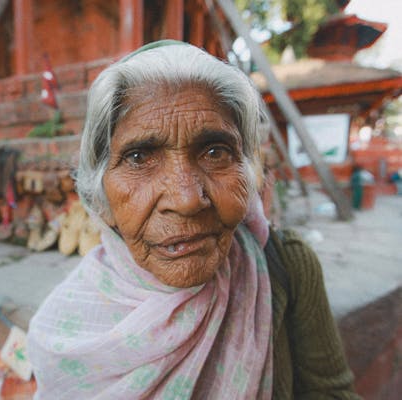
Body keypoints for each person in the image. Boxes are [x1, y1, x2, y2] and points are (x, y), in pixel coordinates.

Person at [27, 40, 359, 399]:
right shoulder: (63, 332)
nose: (187, 200)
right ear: (99, 196)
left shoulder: (287, 266)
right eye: (139, 157)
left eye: (216, 152)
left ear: (249, 177)